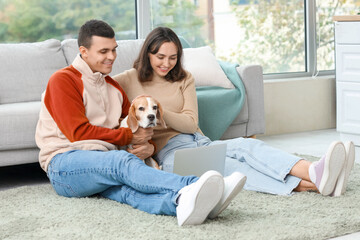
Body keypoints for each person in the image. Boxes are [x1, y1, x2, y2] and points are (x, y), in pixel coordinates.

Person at [35, 20, 247, 226]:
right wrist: (129, 138)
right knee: (121, 162)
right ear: (83, 51)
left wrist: (149, 147)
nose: (112, 57)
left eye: (114, 50)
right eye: (103, 52)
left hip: (103, 164)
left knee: (129, 192)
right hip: (64, 164)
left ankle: (182, 204)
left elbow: (134, 126)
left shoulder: (113, 87)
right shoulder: (63, 80)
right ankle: (194, 185)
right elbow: (78, 132)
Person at [113, 26, 356, 201]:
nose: (166, 64)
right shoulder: (128, 80)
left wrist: (159, 111)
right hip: (171, 153)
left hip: (198, 140)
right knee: (231, 168)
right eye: (160, 57)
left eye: (173, 58)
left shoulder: (184, 78)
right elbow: (95, 95)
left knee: (246, 147)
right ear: (147, 54)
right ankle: (318, 184)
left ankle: (315, 171)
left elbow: (190, 123)